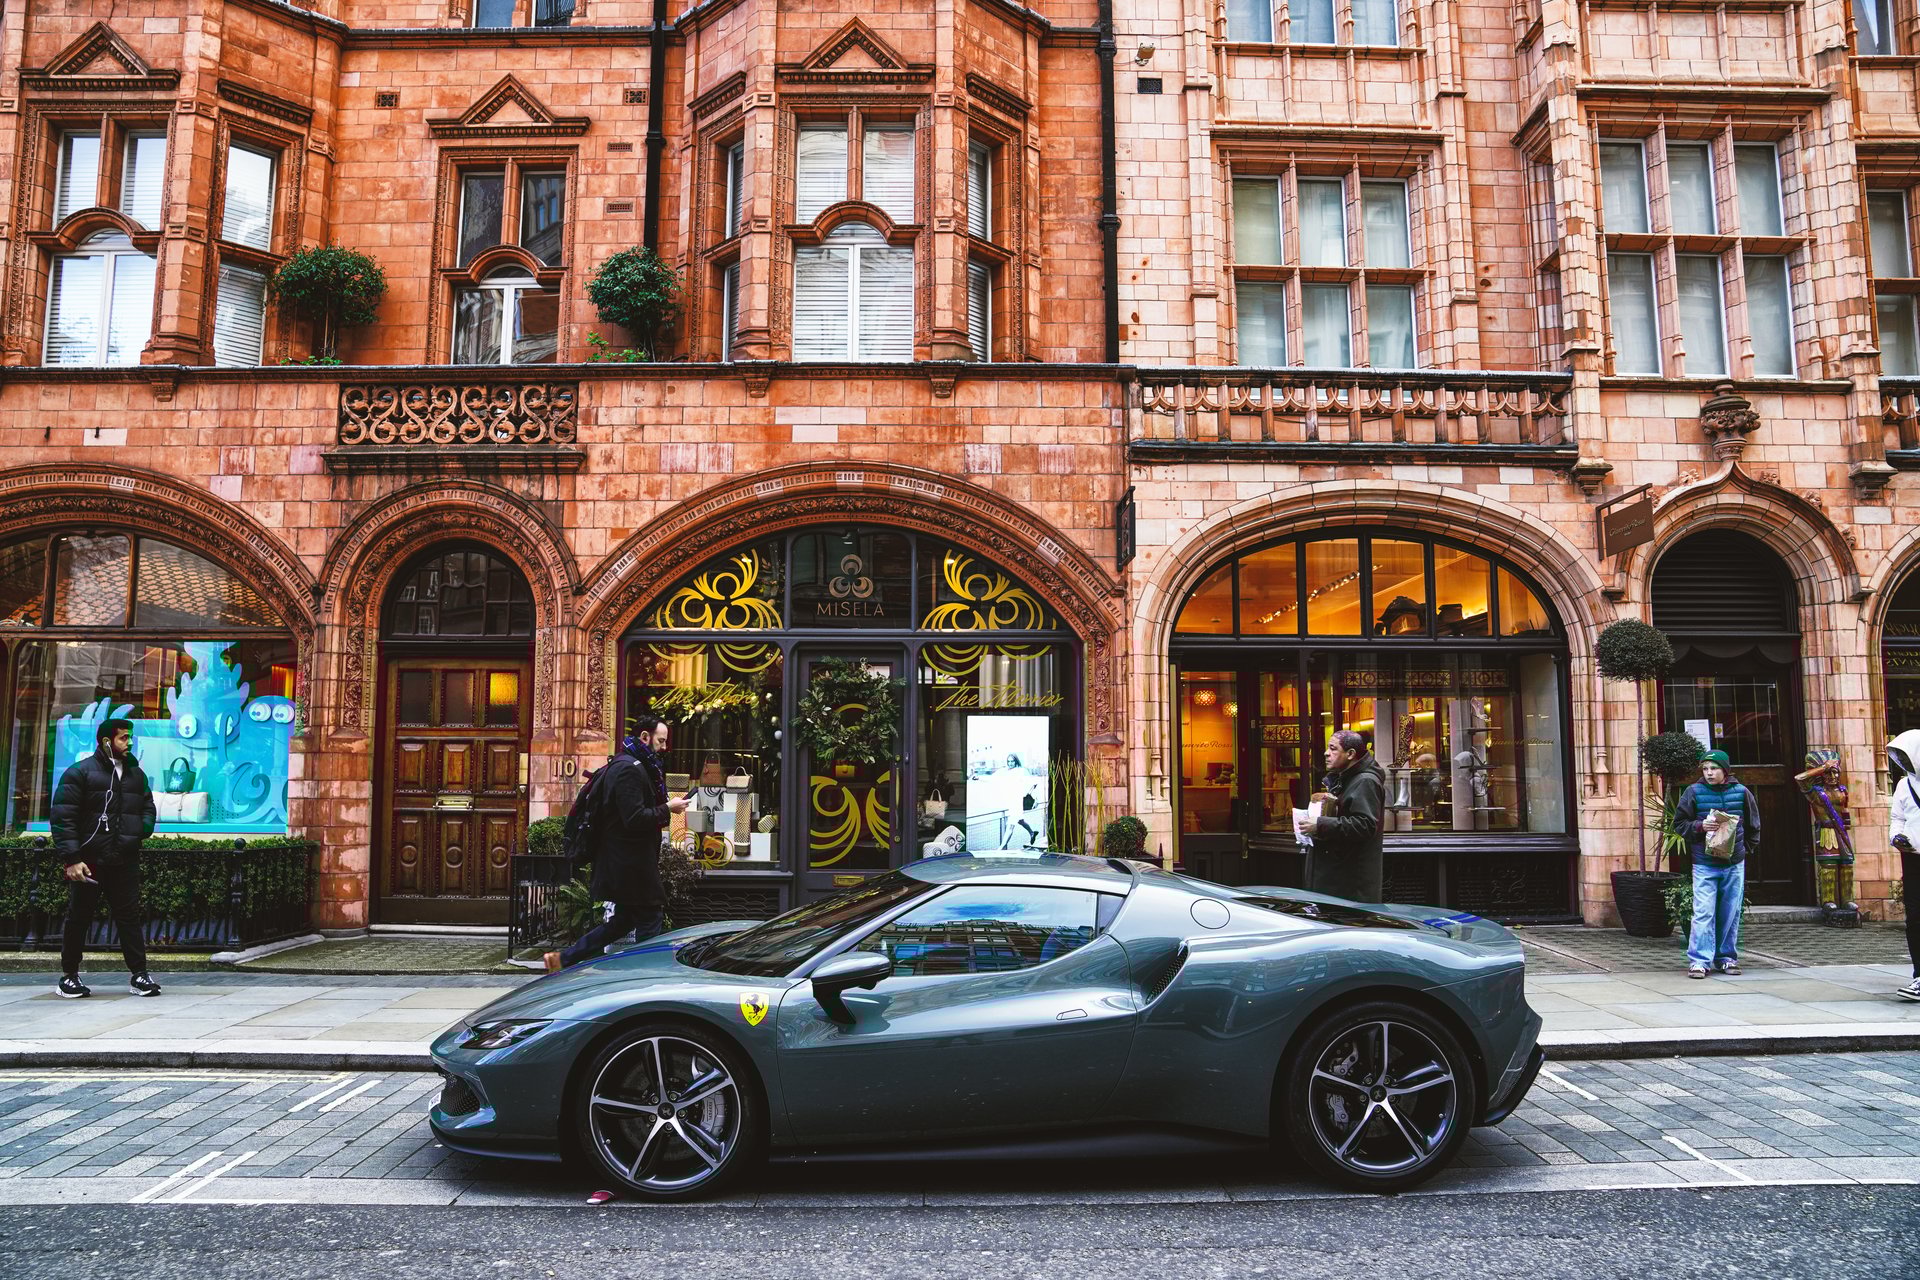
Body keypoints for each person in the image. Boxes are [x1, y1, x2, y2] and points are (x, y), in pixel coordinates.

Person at [545, 716, 689, 973]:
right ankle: (647, 974)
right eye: (661, 741)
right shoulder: (628, 770)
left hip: (626, 862)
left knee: (622, 922)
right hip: (629, 864)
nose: (664, 747)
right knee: (650, 917)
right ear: (645, 737)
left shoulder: (632, 765)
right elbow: (633, 818)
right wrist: (668, 808)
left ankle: (563, 959)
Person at [51, 718, 160, 999]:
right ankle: (69, 977)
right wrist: (73, 859)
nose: (130, 742)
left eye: (130, 737)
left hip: (124, 858)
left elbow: (148, 808)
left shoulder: (136, 774)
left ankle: (139, 975)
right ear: (107, 741)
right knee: (79, 917)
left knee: (129, 918)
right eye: (124, 738)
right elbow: (64, 817)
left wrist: (139, 832)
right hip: (90, 860)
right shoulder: (80, 773)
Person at [1674, 749, 1761, 979]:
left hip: (1733, 863)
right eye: (1705, 769)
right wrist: (1700, 826)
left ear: (1725, 770)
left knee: (1730, 912)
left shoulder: (1742, 793)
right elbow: (1680, 824)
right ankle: (1699, 961)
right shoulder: (1693, 792)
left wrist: (1743, 850)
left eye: (1713, 768)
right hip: (1705, 863)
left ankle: (1726, 958)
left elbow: (1754, 826)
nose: (1709, 773)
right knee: (1703, 912)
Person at [1296, 730, 1386, 902]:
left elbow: (1365, 825)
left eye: (1333, 748)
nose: (1326, 753)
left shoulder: (1365, 781)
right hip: (1339, 879)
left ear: (1350, 754)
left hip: (1349, 885)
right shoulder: (1347, 778)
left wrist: (1320, 824)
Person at [1886, 731, 1920, 1002]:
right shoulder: (1903, 785)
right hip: (1912, 856)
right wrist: (1896, 836)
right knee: (1916, 917)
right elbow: (1897, 817)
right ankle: (1918, 974)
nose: (1904, 763)